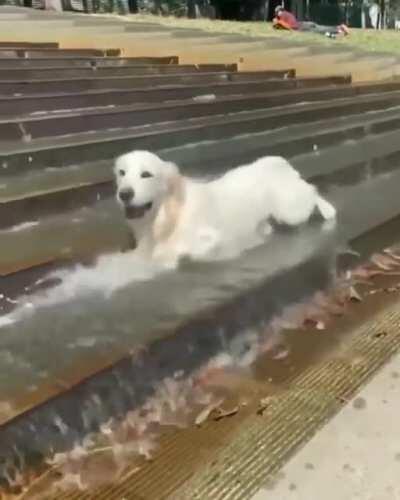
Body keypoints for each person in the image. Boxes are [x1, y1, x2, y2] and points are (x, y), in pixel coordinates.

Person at [273, 6, 350, 38]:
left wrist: (276, 22)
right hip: (305, 24)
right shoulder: (287, 14)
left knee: (321, 31)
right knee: (322, 29)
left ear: (279, 11)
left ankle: (338, 31)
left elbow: (285, 26)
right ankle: (339, 29)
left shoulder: (283, 15)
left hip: (302, 27)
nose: (277, 15)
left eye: (277, 13)